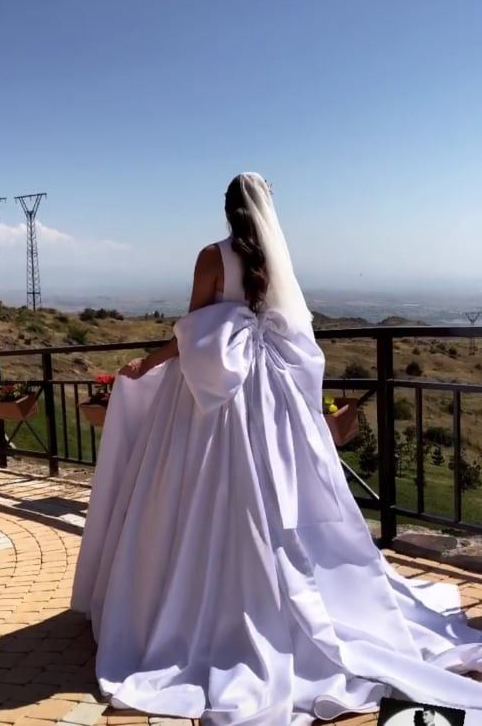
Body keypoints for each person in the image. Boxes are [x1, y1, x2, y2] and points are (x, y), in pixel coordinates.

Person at [71, 173, 482, 726]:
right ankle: (288, 595)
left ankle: (195, 606)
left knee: (197, 490)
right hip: (270, 395)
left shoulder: (211, 256)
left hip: (212, 396)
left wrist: (147, 362)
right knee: (275, 488)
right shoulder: (274, 259)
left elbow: (192, 331)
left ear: (227, 209)